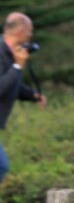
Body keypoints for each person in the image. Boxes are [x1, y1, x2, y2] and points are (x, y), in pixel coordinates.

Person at [0, 12, 47, 183]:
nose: (31, 35)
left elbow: (13, 86)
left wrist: (33, 95)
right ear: (21, 31)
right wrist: (17, 67)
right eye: (30, 31)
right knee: (1, 166)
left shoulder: (12, 54)